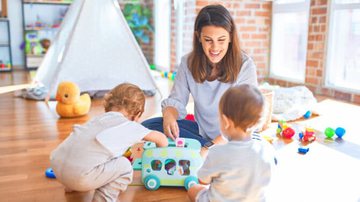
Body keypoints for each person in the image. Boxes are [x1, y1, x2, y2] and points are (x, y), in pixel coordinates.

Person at [142, 4, 258, 148]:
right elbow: (176, 100)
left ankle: (208, 152)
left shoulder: (245, 65)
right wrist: (169, 117)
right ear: (199, 37)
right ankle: (207, 152)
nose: (215, 48)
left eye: (221, 40)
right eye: (208, 40)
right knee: (147, 126)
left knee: (255, 153)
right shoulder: (188, 62)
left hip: (234, 138)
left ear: (230, 37)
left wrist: (210, 147)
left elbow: (246, 118)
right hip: (202, 135)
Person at [50, 83, 168, 202]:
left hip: (57, 165)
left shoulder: (97, 119)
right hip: (79, 177)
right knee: (125, 166)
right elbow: (162, 140)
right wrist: (158, 149)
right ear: (137, 114)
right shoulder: (129, 126)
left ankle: (70, 185)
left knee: (91, 152)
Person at [188, 84, 277, 202]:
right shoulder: (267, 150)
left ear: (226, 121)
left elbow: (203, 180)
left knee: (193, 189)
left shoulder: (217, 153)